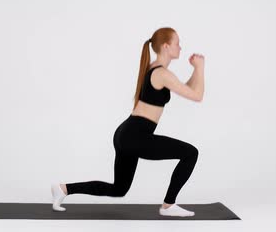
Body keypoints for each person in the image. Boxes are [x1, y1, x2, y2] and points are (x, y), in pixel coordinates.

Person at [51, 27, 205, 217]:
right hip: (136, 136)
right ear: (166, 46)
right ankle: (168, 205)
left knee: (119, 188)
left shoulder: (154, 69)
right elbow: (197, 95)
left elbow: (186, 89)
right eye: (177, 43)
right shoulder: (162, 74)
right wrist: (200, 67)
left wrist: (196, 70)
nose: (180, 48)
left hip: (127, 134)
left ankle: (63, 189)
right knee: (190, 153)